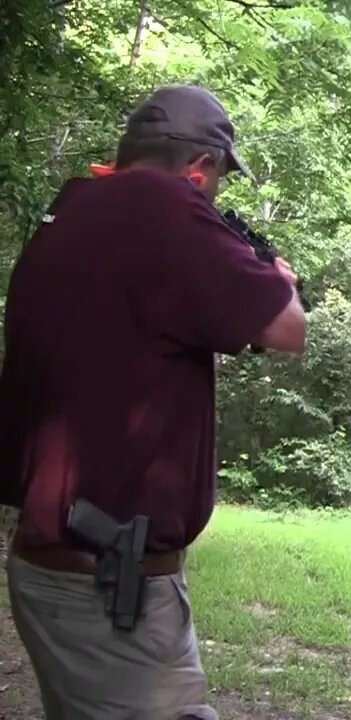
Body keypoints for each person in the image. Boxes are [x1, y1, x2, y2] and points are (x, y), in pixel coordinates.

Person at [0, 84, 306, 720]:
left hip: (56, 566)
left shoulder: (74, 211)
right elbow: (286, 330)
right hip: (106, 582)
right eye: (218, 181)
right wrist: (279, 281)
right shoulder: (168, 206)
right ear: (203, 168)